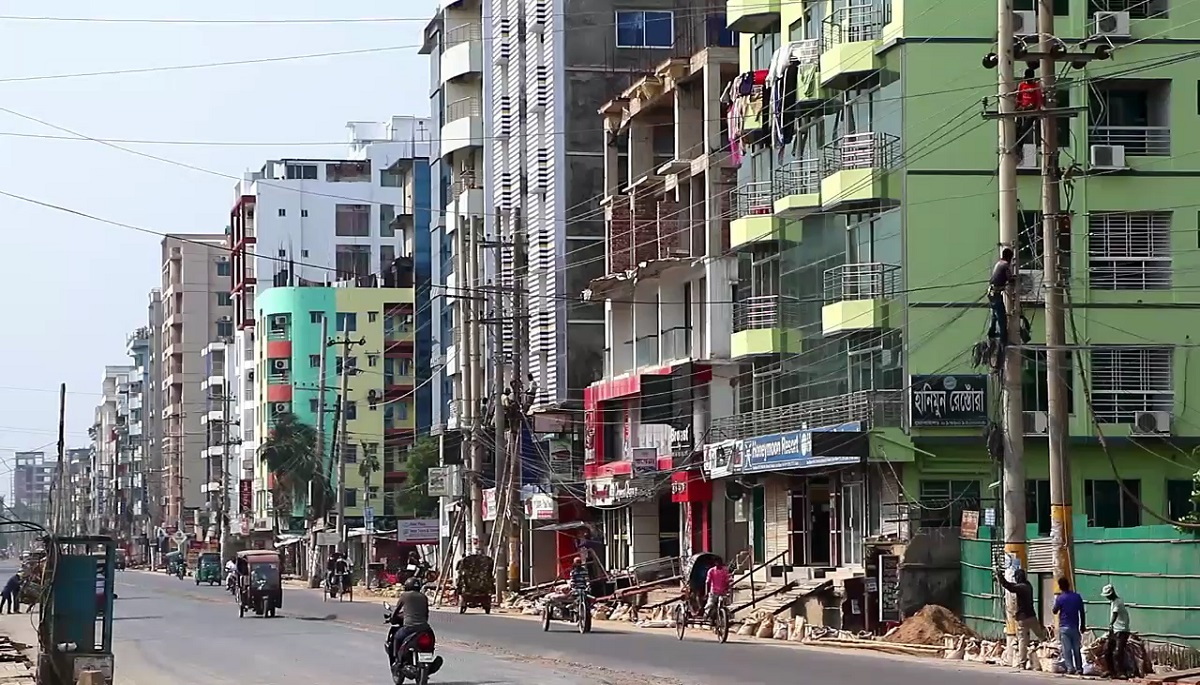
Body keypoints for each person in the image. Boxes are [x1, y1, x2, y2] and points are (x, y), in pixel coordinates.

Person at [995, 567, 1046, 669]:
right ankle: (1045, 654)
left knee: (1022, 641)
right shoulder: (1028, 586)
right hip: (1032, 617)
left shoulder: (1021, 587)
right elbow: (1012, 586)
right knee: (1041, 636)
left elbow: (1010, 586)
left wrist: (1000, 576)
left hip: (1022, 618)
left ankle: (1022, 663)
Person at [388, 578, 442, 674]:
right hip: (425, 628)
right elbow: (426, 614)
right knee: (431, 642)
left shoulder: (405, 595)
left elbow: (396, 610)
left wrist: (392, 618)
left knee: (397, 637)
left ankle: (398, 662)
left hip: (409, 628)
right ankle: (429, 661)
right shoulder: (423, 597)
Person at [1053, 577, 1086, 675]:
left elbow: (1054, 611)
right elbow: (1082, 612)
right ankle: (1079, 668)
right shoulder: (1077, 597)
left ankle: (1070, 668)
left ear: (1060, 587)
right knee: (1076, 649)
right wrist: (1082, 625)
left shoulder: (1060, 598)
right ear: (1068, 585)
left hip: (1064, 626)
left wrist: (1056, 602)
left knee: (1067, 649)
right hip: (1075, 626)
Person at [1103, 584, 1131, 679]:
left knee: (1117, 652)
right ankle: (1110, 671)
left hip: (1122, 630)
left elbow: (1115, 614)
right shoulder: (1113, 602)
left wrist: (1110, 624)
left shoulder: (1118, 602)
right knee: (1107, 650)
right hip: (1115, 630)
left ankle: (1120, 672)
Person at [988, 248, 1014, 341]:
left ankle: (991, 334)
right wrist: (1016, 279)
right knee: (1001, 317)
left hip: (991, 293)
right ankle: (1003, 339)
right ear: (1009, 257)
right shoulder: (1005, 265)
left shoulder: (999, 263)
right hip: (996, 294)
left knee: (995, 315)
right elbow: (1010, 279)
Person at [704, 557, 732, 621]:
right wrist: (706, 592)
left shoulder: (725, 571)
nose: (718, 564)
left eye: (719, 562)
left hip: (723, 592)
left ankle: (725, 618)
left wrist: (728, 589)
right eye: (717, 562)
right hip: (713, 592)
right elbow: (707, 582)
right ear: (715, 563)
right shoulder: (711, 571)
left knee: (726, 606)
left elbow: (727, 581)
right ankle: (706, 615)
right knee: (710, 605)